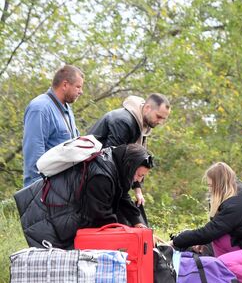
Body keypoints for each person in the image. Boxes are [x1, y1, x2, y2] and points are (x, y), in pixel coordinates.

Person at [15, 143, 154, 249]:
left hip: (60, 211)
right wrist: (126, 233)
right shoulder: (102, 176)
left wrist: (137, 222)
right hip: (49, 215)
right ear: (129, 166)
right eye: (139, 175)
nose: (139, 180)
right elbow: (101, 216)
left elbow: (122, 194)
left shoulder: (117, 162)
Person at [87, 93, 171, 223]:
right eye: (159, 116)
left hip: (109, 176)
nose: (160, 121)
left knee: (137, 212)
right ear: (147, 108)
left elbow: (136, 161)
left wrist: (137, 189)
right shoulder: (124, 122)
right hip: (96, 178)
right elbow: (110, 160)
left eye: (163, 119)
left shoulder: (141, 125)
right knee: (127, 220)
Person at [23, 64, 84, 186]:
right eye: (78, 87)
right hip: (45, 193)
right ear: (65, 85)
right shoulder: (40, 108)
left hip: (64, 190)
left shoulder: (67, 109)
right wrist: (37, 195)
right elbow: (34, 155)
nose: (81, 92)